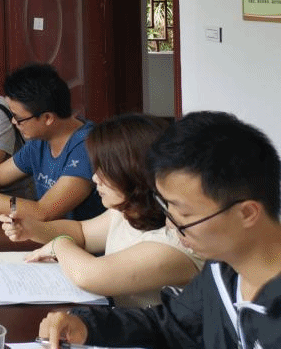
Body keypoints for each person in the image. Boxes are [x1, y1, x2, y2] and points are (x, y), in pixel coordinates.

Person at [39, 111, 281, 349]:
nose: (170, 224)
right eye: (167, 207)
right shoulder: (221, 270)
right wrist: (86, 326)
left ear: (246, 213)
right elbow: (170, 325)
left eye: (184, 214)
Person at [2, 113, 202, 307]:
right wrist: (32, 228)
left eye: (104, 170)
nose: (94, 178)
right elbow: (82, 233)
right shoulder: (128, 211)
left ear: (132, 172)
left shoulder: (175, 242)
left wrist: (59, 245)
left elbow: (90, 275)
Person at [0, 63, 104, 221]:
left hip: (76, 243)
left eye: (18, 118)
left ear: (47, 118)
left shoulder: (87, 147)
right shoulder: (41, 139)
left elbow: (43, 211)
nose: (13, 122)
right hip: (45, 234)